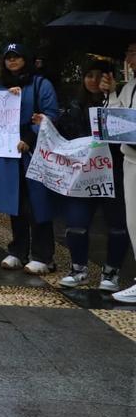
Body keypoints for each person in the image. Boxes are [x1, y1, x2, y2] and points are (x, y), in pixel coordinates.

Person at [53, 58, 129, 290]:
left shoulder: (120, 101)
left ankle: (111, 272)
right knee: (76, 223)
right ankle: (78, 270)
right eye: (89, 75)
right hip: (82, 175)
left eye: (100, 75)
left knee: (117, 224)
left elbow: (124, 130)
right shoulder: (74, 105)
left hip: (113, 173)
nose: (94, 81)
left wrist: (112, 99)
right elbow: (61, 133)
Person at [0, 42, 59, 274]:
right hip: (10, 151)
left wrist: (30, 137)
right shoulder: (1, 87)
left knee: (38, 203)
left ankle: (43, 255)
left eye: (17, 56)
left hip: (34, 151)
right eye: (8, 57)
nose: (12, 61)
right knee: (15, 202)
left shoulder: (41, 84)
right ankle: (18, 251)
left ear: (26, 58)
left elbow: (50, 115)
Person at [107, 40, 136, 303]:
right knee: (133, 221)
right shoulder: (130, 86)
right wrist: (112, 93)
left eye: (131, 53)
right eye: (128, 53)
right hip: (130, 157)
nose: (128, 59)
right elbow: (116, 121)